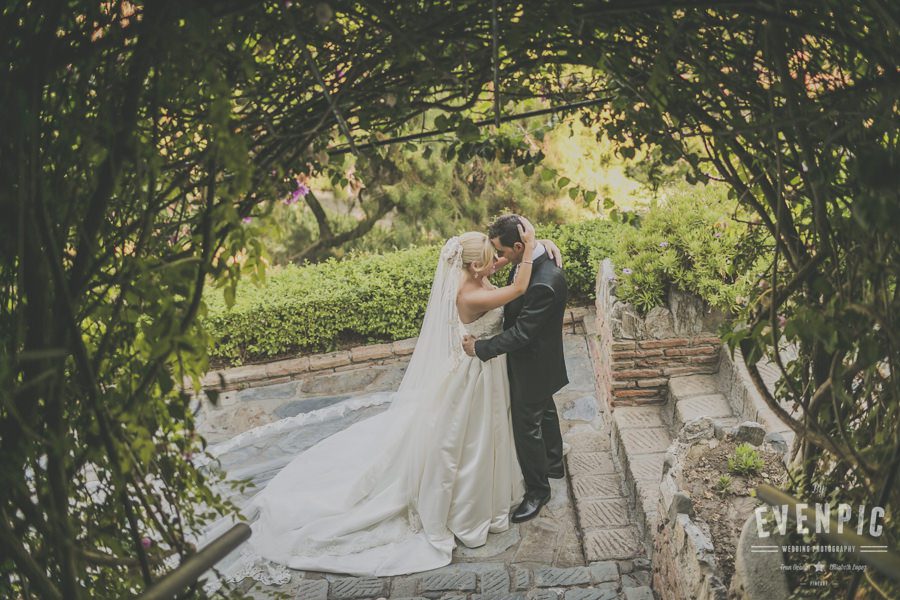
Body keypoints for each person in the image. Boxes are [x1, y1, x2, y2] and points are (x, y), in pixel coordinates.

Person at [208, 219, 563, 582]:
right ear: (476, 265)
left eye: (499, 256)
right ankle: (464, 504)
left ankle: (513, 477)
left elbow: (512, 262)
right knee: (465, 440)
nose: (497, 262)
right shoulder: (470, 294)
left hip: (485, 371)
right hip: (477, 371)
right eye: (492, 259)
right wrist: (531, 241)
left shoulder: (473, 275)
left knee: (488, 432)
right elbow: (520, 286)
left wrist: (539, 246)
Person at [462, 214, 568, 524]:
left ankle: (538, 491)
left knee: (526, 428)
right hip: (541, 360)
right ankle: (554, 463)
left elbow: (522, 333)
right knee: (545, 410)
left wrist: (481, 348)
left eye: (502, 252)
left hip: (532, 362)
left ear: (520, 246)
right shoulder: (534, 260)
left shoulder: (544, 283)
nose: (497, 258)